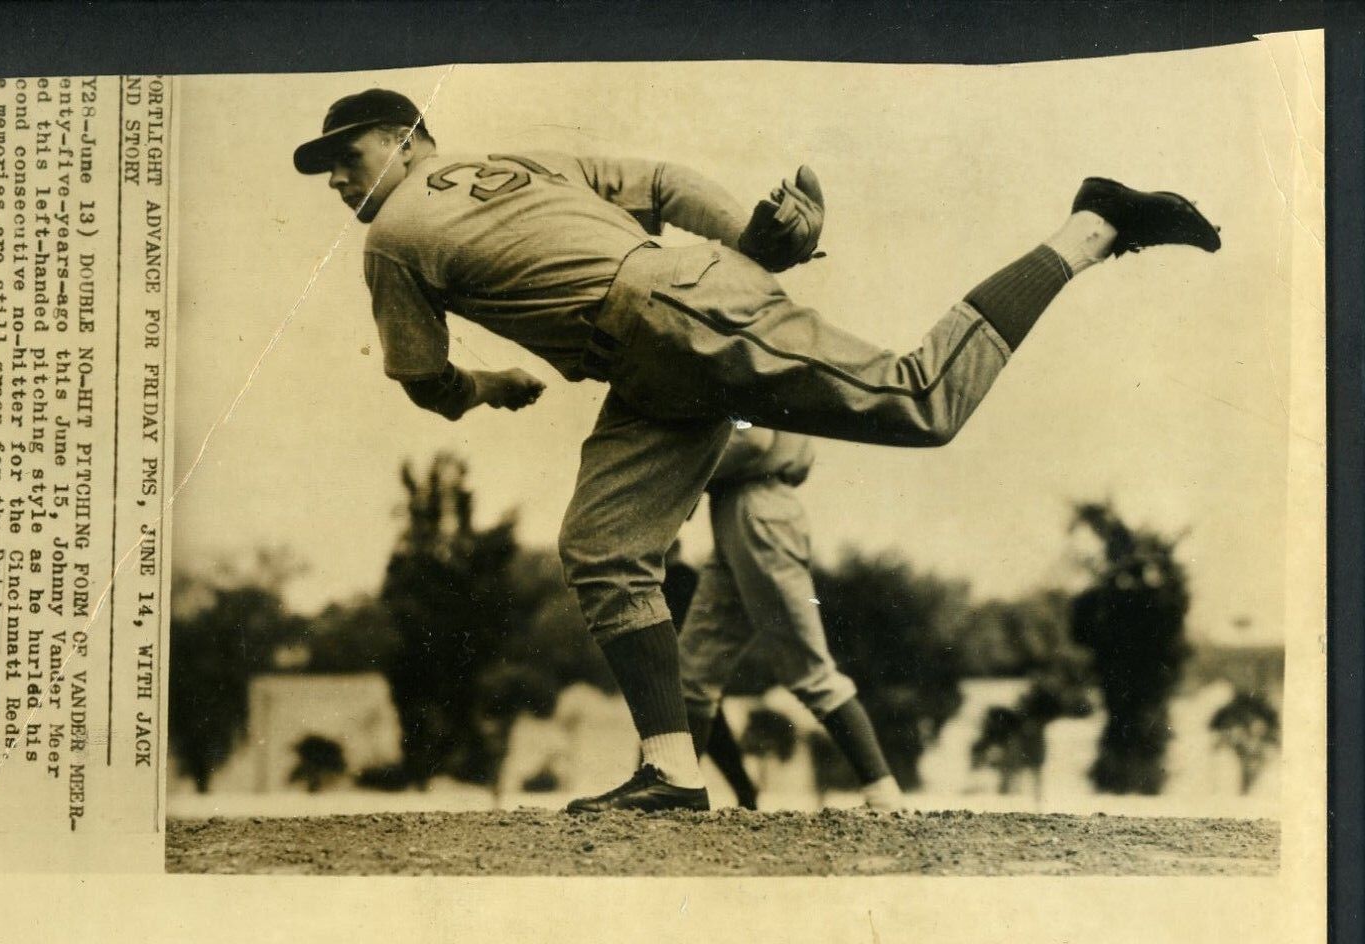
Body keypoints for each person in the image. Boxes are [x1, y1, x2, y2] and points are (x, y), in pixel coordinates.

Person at [292, 88, 1221, 814]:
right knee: (602, 550)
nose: (338, 177)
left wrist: (489, 389)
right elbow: (658, 182)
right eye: (328, 167)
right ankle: (671, 771)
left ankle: (1091, 226)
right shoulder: (519, 163)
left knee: (920, 400)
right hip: (656, 351)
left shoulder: (392, 236)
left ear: (409, 139)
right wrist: (747, 239)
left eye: (349, 153)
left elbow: (421, 377)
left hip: (667, 314)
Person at [678, 424, 904, 811]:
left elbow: (753, 439)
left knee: (808, 668)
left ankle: (883, 796)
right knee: (692, 672)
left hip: (758, 507)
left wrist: (676, 469)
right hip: (743, 508)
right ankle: (673, 787)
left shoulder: (751, 363)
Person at [662, 541, 758, 810]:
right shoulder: (683, 577)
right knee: (707, 729)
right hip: (692, 666)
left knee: (691, 727)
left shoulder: (678, 578)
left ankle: (671, 788)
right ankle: (743, 790)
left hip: (688, 667)